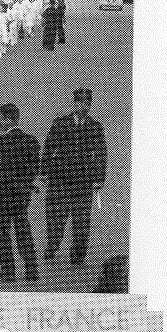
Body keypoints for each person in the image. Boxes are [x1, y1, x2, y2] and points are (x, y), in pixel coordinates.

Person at [40, 87, 107, 266]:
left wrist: (99, 178)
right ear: (75, 103)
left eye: (87, 103)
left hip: (83, 181)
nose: (84, 107)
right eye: (81, 103)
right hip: (59, 179)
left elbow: (101, 154)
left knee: (82, 220)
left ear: (90, 105)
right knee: (55, 218)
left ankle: (77, 256)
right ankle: (52, 246)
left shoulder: (96, 127)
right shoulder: (60, 123)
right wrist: (44, 171)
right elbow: (48, 148)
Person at [0, 102, 41, 282]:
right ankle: (32, 269)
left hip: (0, 196)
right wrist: (25, 186)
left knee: (2, 234)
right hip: (21, 195)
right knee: (23, 230)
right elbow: (33, 169)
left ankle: (8, 272)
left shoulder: (0, 141)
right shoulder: (32, 141)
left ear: (8, 120)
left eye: (0, 119)